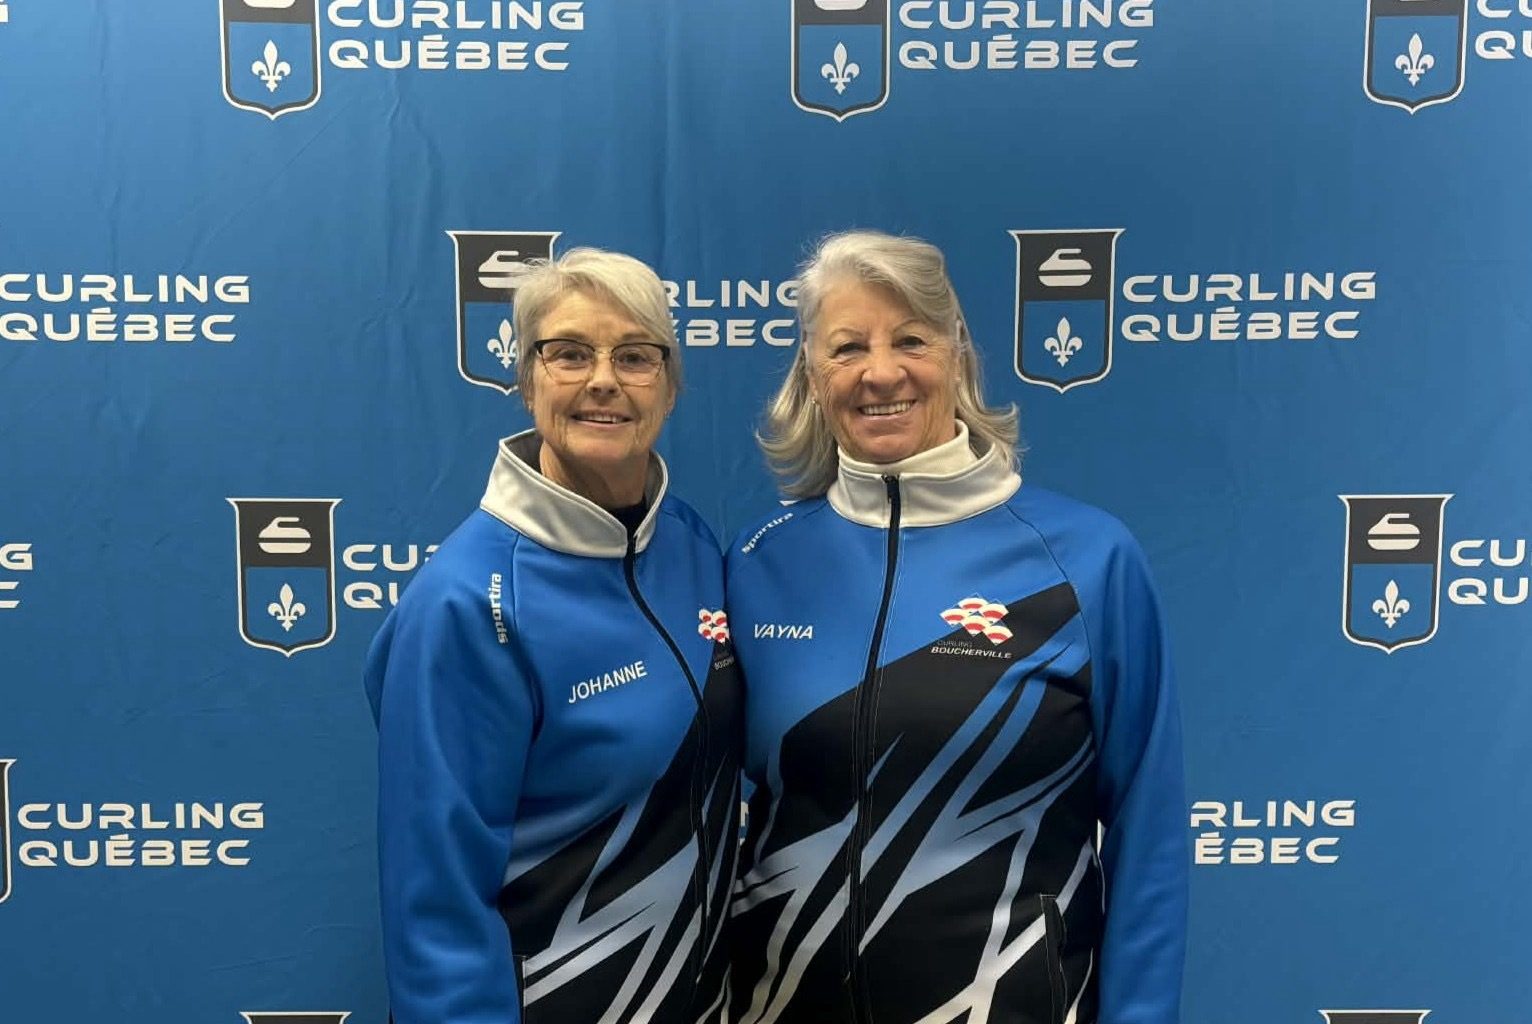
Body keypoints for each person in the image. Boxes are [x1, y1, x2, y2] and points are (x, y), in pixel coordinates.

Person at [725, 231, 1186, 1024]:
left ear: (958, 352)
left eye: (910, 339)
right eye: (848, 347)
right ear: (812, 372)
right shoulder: (756, 562)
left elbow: (1151, 829)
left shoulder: (1086, 558)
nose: (880, 372)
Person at [365, 248, 741, 1024]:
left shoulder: (692, 544)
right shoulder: (466, 602)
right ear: (527, 379)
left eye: (634, 356)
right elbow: (435, 901)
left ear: (669, 386)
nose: (603, 379)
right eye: (569, 353)